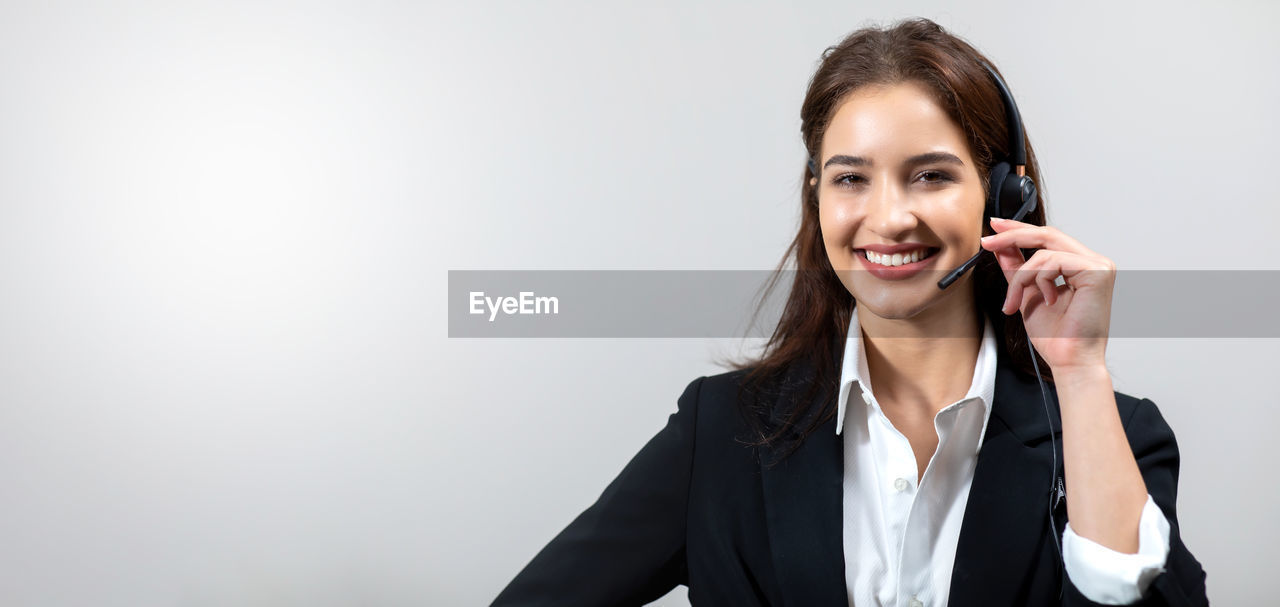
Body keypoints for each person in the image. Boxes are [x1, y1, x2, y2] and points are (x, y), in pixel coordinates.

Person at [491, 17, 1208, 606]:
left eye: (930, 174)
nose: (888, 217)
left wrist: (1079, 373)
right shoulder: (723, 433)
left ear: (1001, 198)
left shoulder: (1114, 432)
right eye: (851, 179)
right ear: (818, 197)